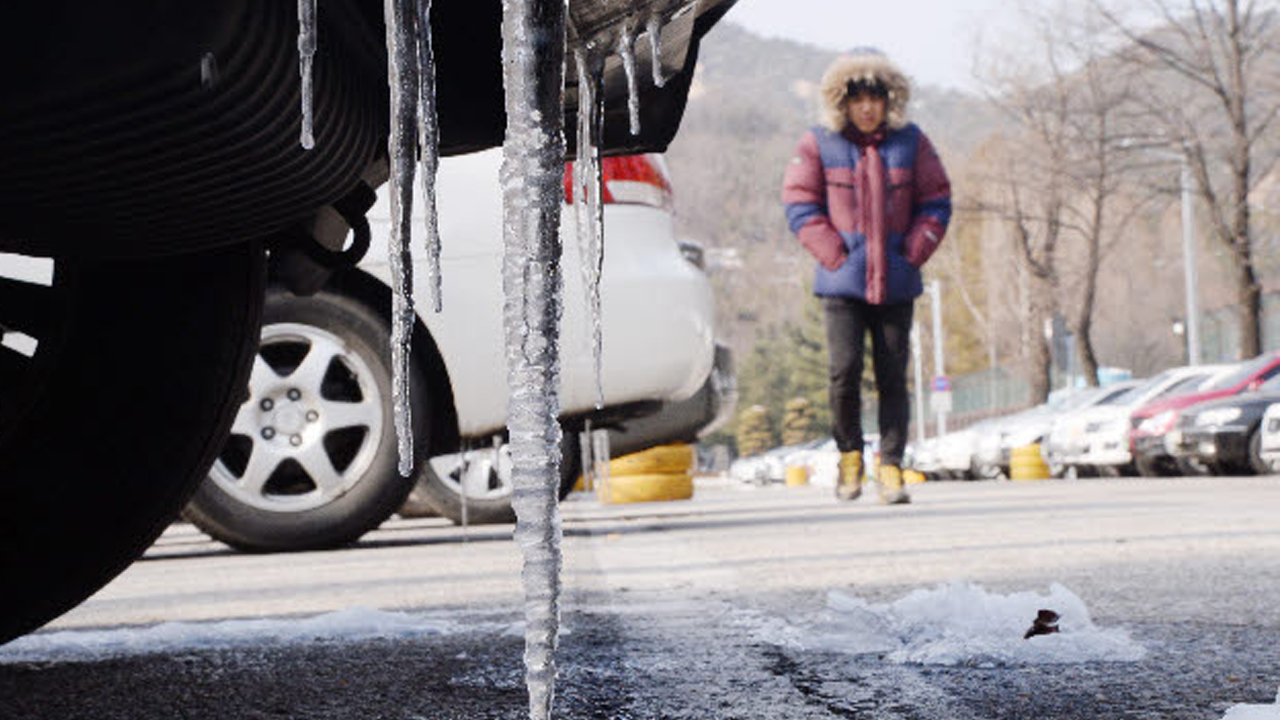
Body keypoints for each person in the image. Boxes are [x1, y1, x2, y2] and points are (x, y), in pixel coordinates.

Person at [781, 49, 951, 504]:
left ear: (888, 99)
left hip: (897, 282)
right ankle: (850, 457)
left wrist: (912, 253)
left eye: (876, 96)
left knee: (894, 376)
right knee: (844, 373)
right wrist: (834, 255)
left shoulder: (912, 142)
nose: (867, 106)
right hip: (842, 284)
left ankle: (892, 466)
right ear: (843, 101)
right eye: (857, 97)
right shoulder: (819, 143)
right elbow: (799, 204)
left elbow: (937, 201)